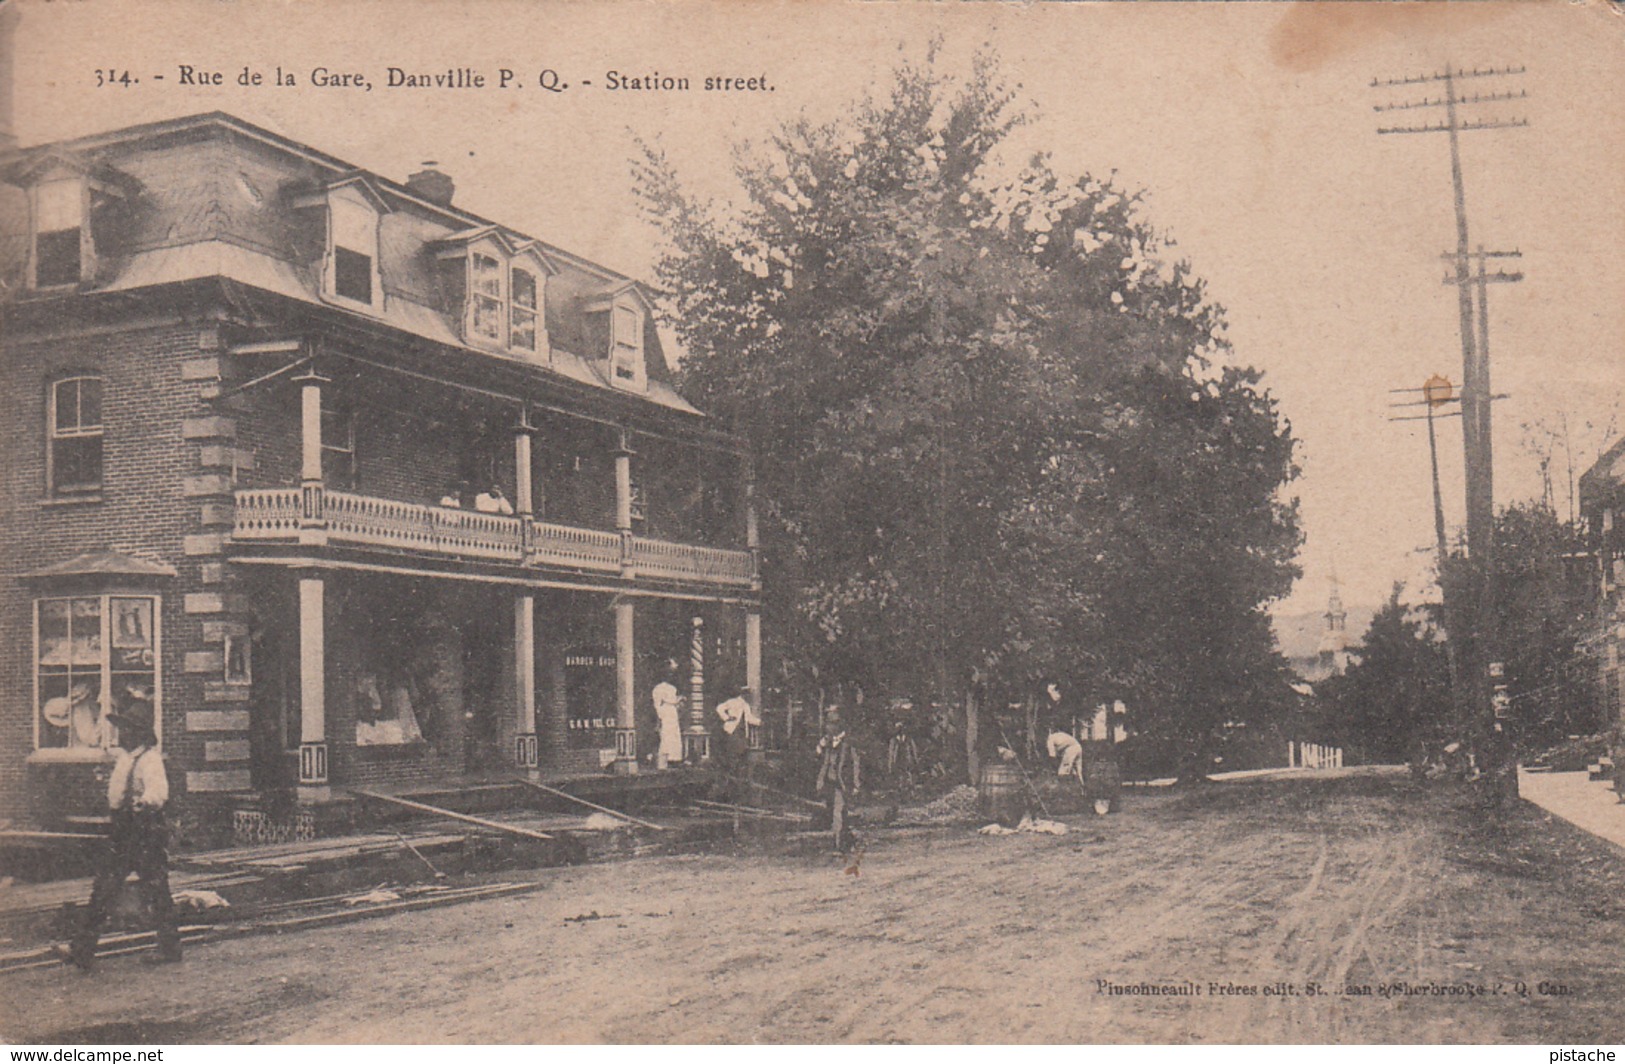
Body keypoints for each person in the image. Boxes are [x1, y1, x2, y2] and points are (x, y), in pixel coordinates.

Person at [67, 693, 181, 969]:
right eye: (122, 728)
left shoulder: (150, 760)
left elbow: (158, 793)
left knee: (156, 891)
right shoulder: (125, 759)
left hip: (142, 833)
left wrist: (141, 804)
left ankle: (169, 948)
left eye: (127, 729)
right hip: (123, 832)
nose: (122, 733)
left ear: (139, 733)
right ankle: (82, 950)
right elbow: (116, 794)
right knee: (103, 889)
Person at [814, 711, 861, 854]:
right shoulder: (829, 742)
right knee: (839, 814)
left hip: (842, 783)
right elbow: (822, 760)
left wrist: (856, 784)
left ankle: (839, 846)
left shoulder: (848, 742)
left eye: (830, 724)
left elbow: (855, 764)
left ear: (838, 726)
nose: (827, 727)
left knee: (838, 813)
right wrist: (820, 747)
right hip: (829, 782)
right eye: (828, 724)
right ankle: (850, 839)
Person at [714, 684, 759, 768]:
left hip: (742, 731)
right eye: (746, 694)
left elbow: (749, 718)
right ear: (742, 694)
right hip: (732, 730)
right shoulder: (732, 702)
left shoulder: (746, 705)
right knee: (732, 750)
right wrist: (727, 717)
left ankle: (737, 771)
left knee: (741, 750)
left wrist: (759, 722)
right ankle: (731, 769)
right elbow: (719, 708)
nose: (748, 696)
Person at [652, 660, 683, 769]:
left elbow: (675, 701)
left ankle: (674, 759)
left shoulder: (673, 688)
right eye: (668, 673)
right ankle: (663, 761)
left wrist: (678, 703)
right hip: (664, 713)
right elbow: (657, 704)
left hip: (672, 713)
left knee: (674, 736)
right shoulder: (658, 688)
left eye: (672, 673)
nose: (670, 676)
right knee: (665, 736)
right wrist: (660, 718)